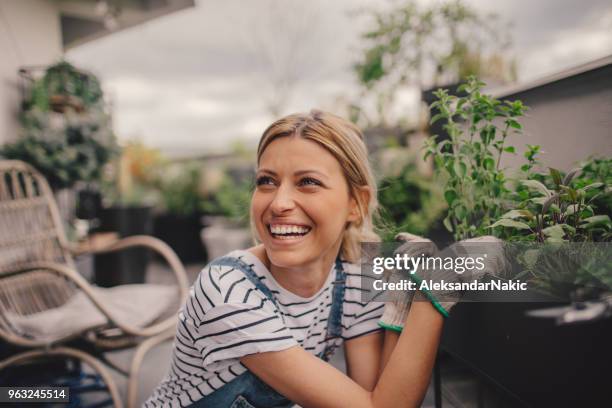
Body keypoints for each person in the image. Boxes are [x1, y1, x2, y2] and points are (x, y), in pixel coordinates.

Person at [145, 110, 476, 408]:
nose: (279, 203)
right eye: (266, 182)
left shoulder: (355, 277)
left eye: (308, 182)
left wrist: (403, 296)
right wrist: (432, 293)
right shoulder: (229, 292)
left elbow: (383, 395)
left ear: (356, 203)